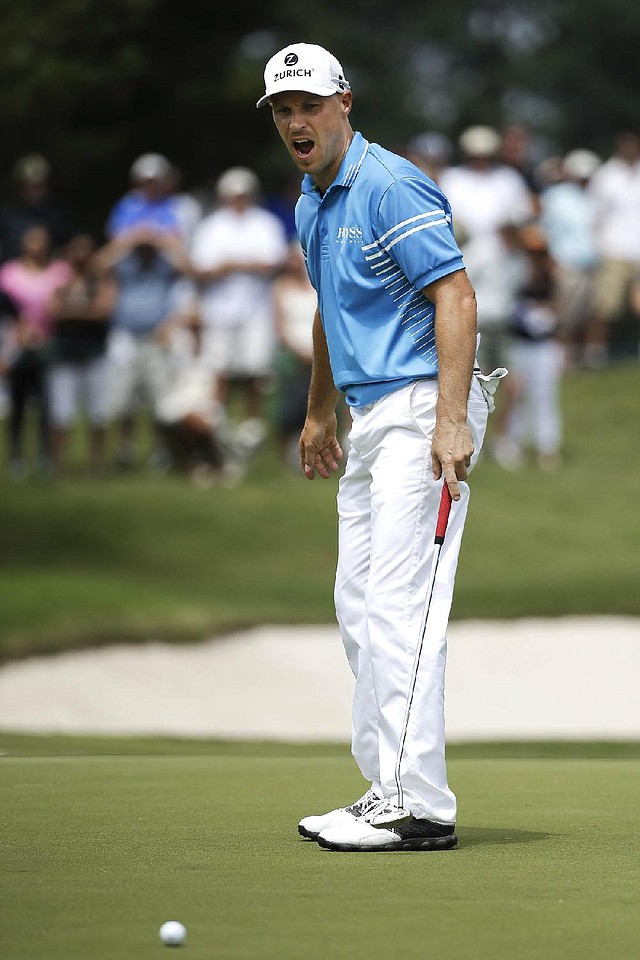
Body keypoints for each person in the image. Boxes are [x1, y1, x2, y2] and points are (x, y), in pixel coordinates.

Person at [257, 42, 504, 852]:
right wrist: (318, 412)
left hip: (423, 409)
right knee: (359, 607)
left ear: (344, 103)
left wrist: (451, 419)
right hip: (370, 418)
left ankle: (418, 803)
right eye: (283, 109)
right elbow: (331, 311)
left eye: (309, 104)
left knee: (402, 607)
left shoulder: (390, 184)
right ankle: (385, 788)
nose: (297, 120)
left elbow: (455, 294)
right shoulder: (309, 202)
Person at [190, 167, 288, 426]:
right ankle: (216, 422)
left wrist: (230, 265)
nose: (238, 200)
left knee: (255, 370)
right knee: (218, 368)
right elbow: (202, 268)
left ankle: (252, 425)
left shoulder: (264, 222)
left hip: (256, 309)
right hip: (219, 309)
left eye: (243, 194)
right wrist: (245, 264)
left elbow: (273, 262)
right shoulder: (212, 226)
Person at [0, 225, 71, 478]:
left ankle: (44, 455)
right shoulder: (9, 273)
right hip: (16, 344)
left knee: (45, 404)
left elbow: (64, 304)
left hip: (48, 344)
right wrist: (21, 333)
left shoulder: (60, 271)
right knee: (17, 403)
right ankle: (16, 455)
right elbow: (8, 310)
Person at [47, 234, 116, 475]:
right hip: (64, 355)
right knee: (60, 414)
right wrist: (84, 309)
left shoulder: (102, 280)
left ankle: (96, 464)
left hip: (95, 354)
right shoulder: (59, 280)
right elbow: (53, 311)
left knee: (98, 414)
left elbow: (103, 310)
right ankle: (59, 465)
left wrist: (71, 310)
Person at [539, 149, 601, 370]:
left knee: (590, 315)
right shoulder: (556, 196)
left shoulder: (595, 196)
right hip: (566, 263)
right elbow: (545, 230)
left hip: (592, 264)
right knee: (565, 317)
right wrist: (550, 261)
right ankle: (563, 362)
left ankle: (587, 359)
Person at [588, 131, 640, 366]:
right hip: (614, 249)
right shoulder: (606, 175)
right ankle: (595, 354)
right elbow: (594, 214)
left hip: (636, 249)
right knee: (606, 308)